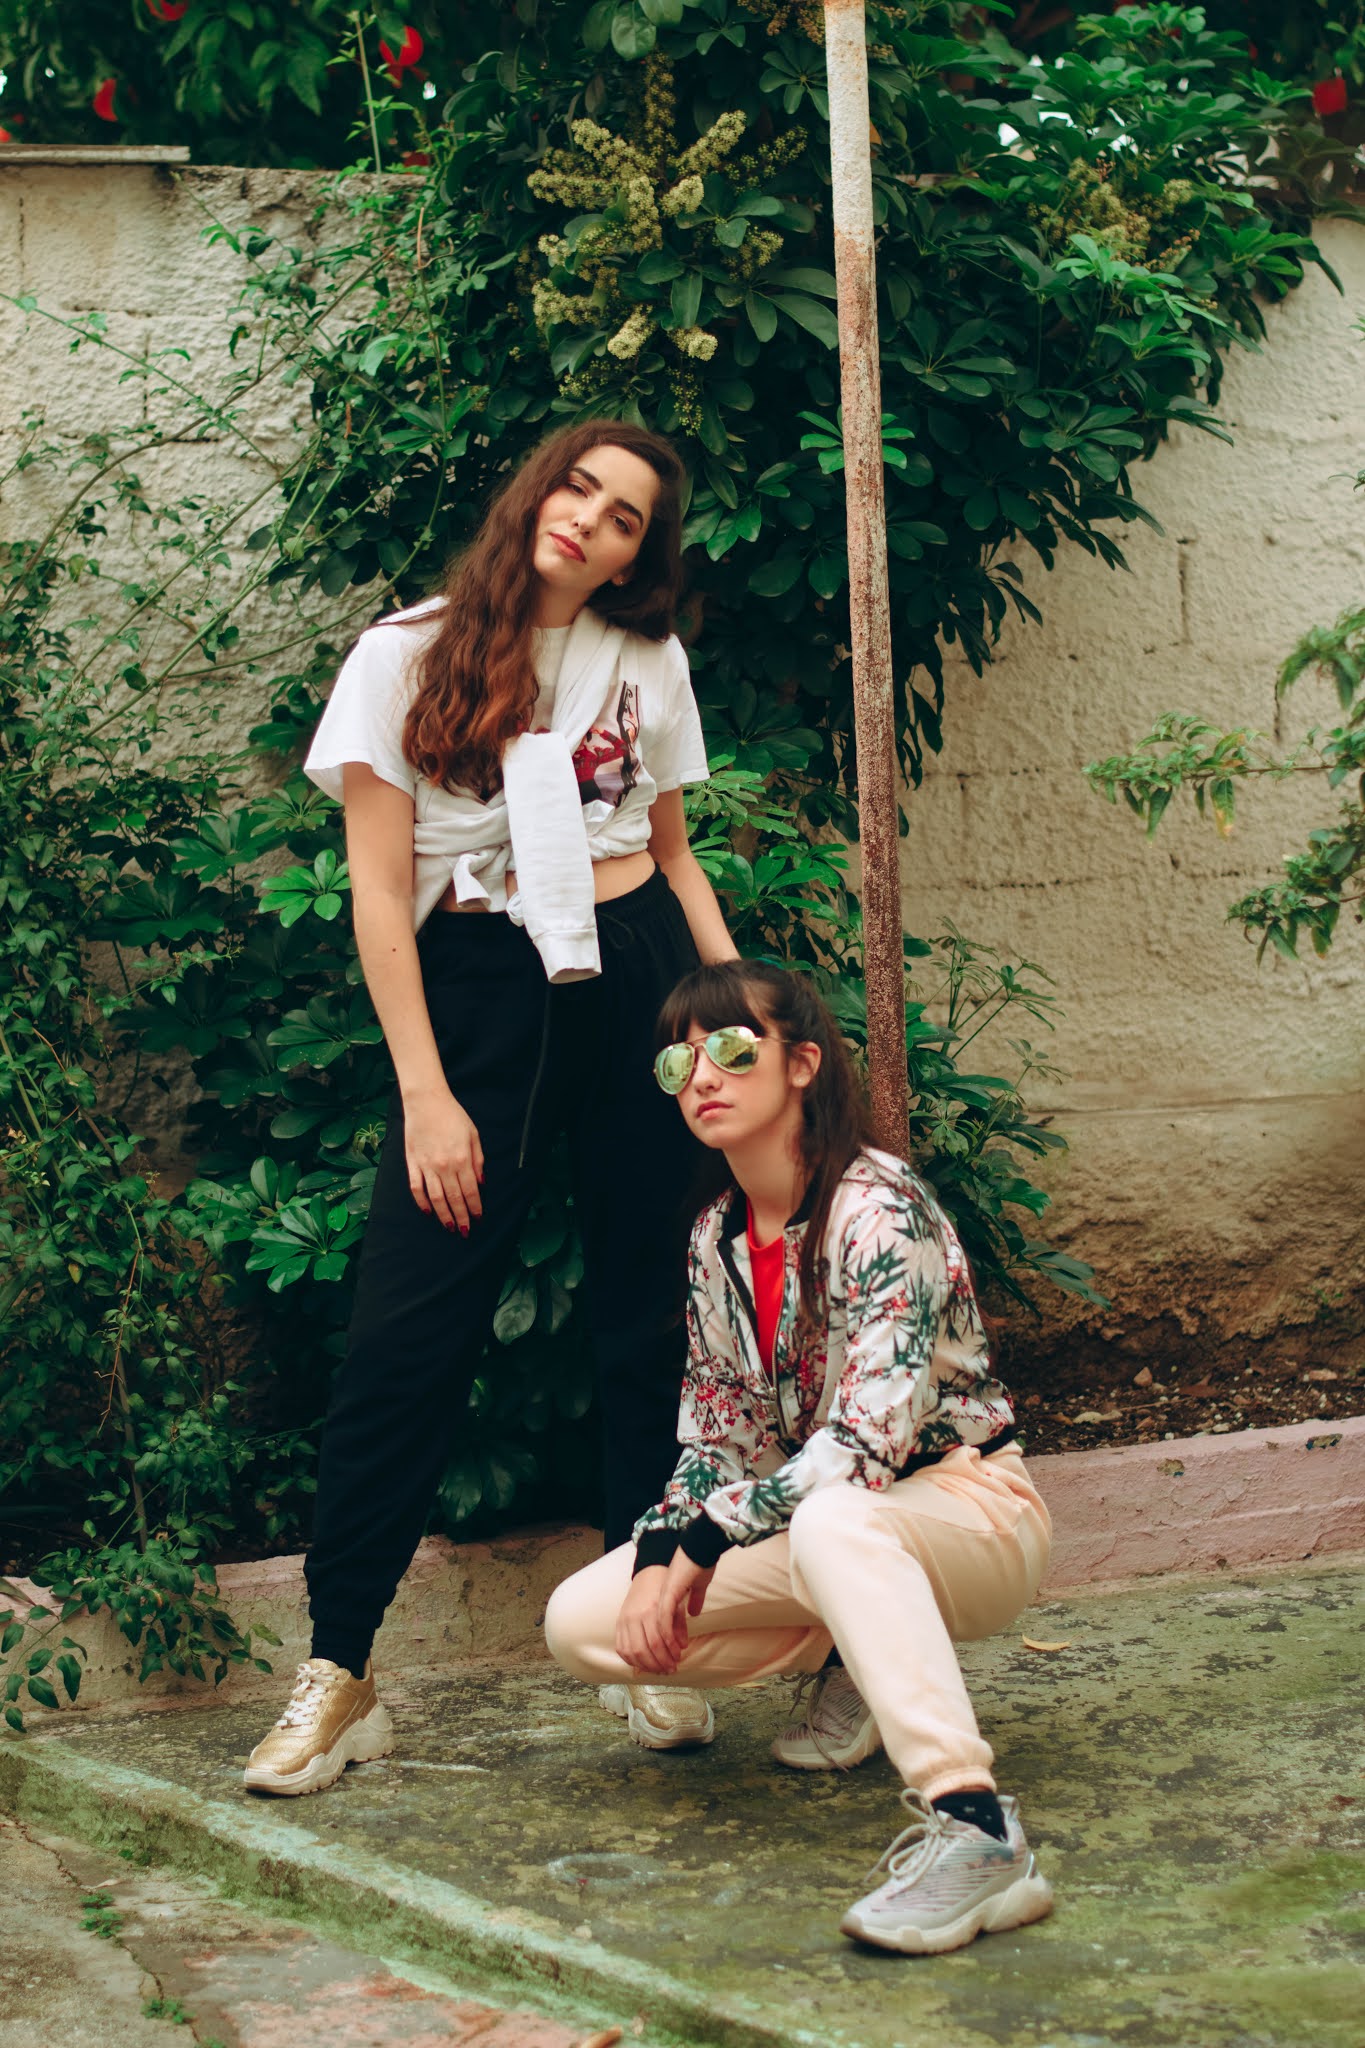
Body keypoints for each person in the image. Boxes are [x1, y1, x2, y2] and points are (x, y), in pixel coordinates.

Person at [244, 423, 737, 1796]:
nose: (591, 518)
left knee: (652, 1315)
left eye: (626, 516)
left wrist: (734, 1019)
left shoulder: (644, 662)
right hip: (475, 996)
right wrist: (425, 1091)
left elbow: (675, 854)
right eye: (579, 486)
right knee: (406, 1335)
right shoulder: (403, 654)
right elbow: (377, 890)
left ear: (638, 556)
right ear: (536, 492)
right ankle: (340, 1669)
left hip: (637, 978)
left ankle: (646, 1637)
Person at [544, 960, 1055, 1956]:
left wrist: (707, 1540)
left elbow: (865, 1443)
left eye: (734, 1049)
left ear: (803, 1064)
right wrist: (661, 1551)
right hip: (832, 1524)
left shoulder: (882, 1209)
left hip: (969, 1508)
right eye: (678, 1062)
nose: (703, 1075)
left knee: (833, 1515)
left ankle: (977, 1830)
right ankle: (859, 1649)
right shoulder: (716, 1239)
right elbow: (715, 1434)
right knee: (584, 1621)